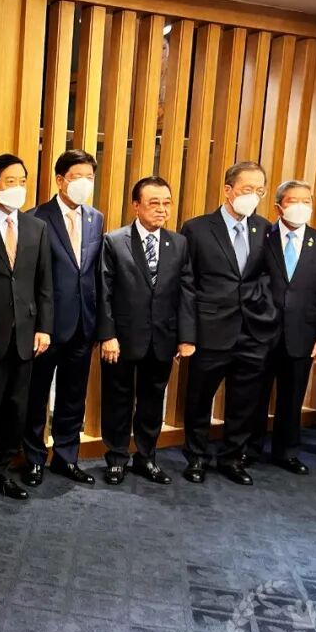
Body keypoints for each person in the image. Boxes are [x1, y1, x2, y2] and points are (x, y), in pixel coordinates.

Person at [180, 161, 279, 485]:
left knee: (244, 401)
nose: (253, 196)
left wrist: (263, 309)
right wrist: (188, 333)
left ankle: (232, 458)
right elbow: (187, 284)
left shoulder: (265, 228)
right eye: (247, 189)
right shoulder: (196, 228)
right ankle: (196, 457)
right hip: (210, 329)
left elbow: (268, 275)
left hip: (252, 330)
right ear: (228, 190)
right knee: (199, 399)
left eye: (259, 190)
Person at [97, 176, 195, 485]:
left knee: (153, 401)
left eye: (167, 203)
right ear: (136, 205)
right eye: (154, 203)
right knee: (118, 399)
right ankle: (116, 458)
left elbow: (187, 292)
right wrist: (107, 335)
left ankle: (146, 457)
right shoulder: (115, 241)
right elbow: (104, 292)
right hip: (122, 338)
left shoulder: (178, 243)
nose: (162, 209)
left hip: (163, 336)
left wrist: (186, 336)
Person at [0, 153, 52, 502]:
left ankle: (2, 470)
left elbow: (44, 283)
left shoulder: (37, 227)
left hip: (26, 335)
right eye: (11, 181)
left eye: (23, 181)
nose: (19, 188)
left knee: (17, 408)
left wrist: (44, 327)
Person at [22, 149, 104, 486]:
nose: (84, 183)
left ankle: (66, 457)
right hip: (47, 326)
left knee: (73, 395)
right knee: (36, 395)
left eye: (89, 177)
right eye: (77, 177)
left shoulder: (96, 218)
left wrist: (101, 326)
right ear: (60, 180)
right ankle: (33, 458)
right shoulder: (36, 218)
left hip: (83, 323)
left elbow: (95, 274)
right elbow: (29, 279)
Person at [246, 180, 316, 474]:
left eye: (306, 201)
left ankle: (287, 452)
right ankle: (250, 448)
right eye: (293, 201)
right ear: (278, 207)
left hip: (302, 333)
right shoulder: (261, 238)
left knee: (293, 395)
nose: (300, 206)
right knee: (255, 394)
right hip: (261, 331)